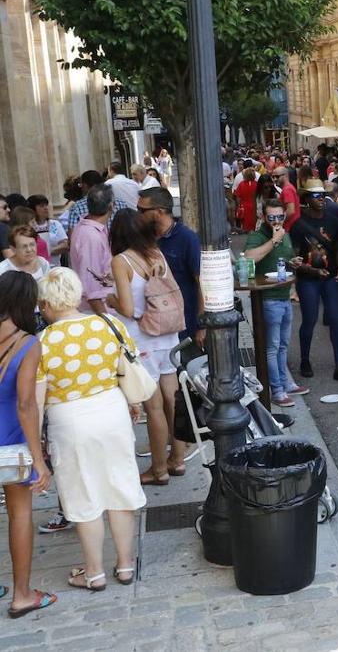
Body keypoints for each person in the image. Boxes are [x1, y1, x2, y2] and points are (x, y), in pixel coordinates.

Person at [36, 268, 146, 591]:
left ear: (47, 303)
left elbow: (38, 399)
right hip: (111, 410)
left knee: (83, 492)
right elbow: (128, 367)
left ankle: (94, 572)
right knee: (119, 487)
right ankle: (125, 565)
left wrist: (38, 441)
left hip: (68, 420)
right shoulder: (108, 324)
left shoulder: (43, 342)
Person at [106, 209, 184, 484]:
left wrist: (112, 299)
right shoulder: (156, 253)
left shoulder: (121, 260)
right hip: (168, 335)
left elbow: (127, 309)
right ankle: (178, 459)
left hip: (143, 338)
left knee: (153, 407)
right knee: (172, 401)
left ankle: (159, 469)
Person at [0, 272, 56, 618]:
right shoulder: (28, 344)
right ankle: (22, 594)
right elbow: (26, 404)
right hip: (10, 437)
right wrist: (39, 460)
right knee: (19, 513)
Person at [243, 200, 306, 407]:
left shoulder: (284, 234)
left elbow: (283, 260)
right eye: (272, 218)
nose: (277, 221)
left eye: (280, 217)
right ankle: (277, 391)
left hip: (284, 295)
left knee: (283, 345)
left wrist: (292, 262)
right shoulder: (257, 236)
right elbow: (249, 258)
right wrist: (273, 240)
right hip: (268, 299)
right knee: (271, 347)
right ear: (263, 217)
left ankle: (286, 383)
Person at [290, 181, 338, 384]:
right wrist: (312, 270)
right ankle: (305, 360)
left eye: (322, 195)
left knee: (336, 319)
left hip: (331, 277)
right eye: (315, 196)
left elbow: (337, 247)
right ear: (306, 199)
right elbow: (295, 257)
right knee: (309, 320)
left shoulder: (333, 220)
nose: (320, 199)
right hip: (309, 279)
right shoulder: (299, 225)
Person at [138, 188, 203, 346]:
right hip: (152, 326)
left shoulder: (187, 239)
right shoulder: (143, 237)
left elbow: (201, 282)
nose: (138, 215)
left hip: (183, 326)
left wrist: (202, 326)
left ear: (159, 212)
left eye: (142, 210)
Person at [70, 185, 114, 315]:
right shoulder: (90, 236)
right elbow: (91, 286)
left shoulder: (92, 228)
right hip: (98, 310)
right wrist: (107, 321)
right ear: (111, 205)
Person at [27, 195, 68, 261]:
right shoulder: (29, 226)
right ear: (33, 209)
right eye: (41, 206)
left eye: (46, 205)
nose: (46, 208)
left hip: (54, 266)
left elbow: (65, 244)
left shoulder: (55, 224)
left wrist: (47, 251)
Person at [235, 167, 259, 232]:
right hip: (255, 205)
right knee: (254, 223)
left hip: (244, 206)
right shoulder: (257, 184)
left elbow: (238, 197)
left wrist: (239, 206)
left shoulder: (241, 184)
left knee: (246, 224)